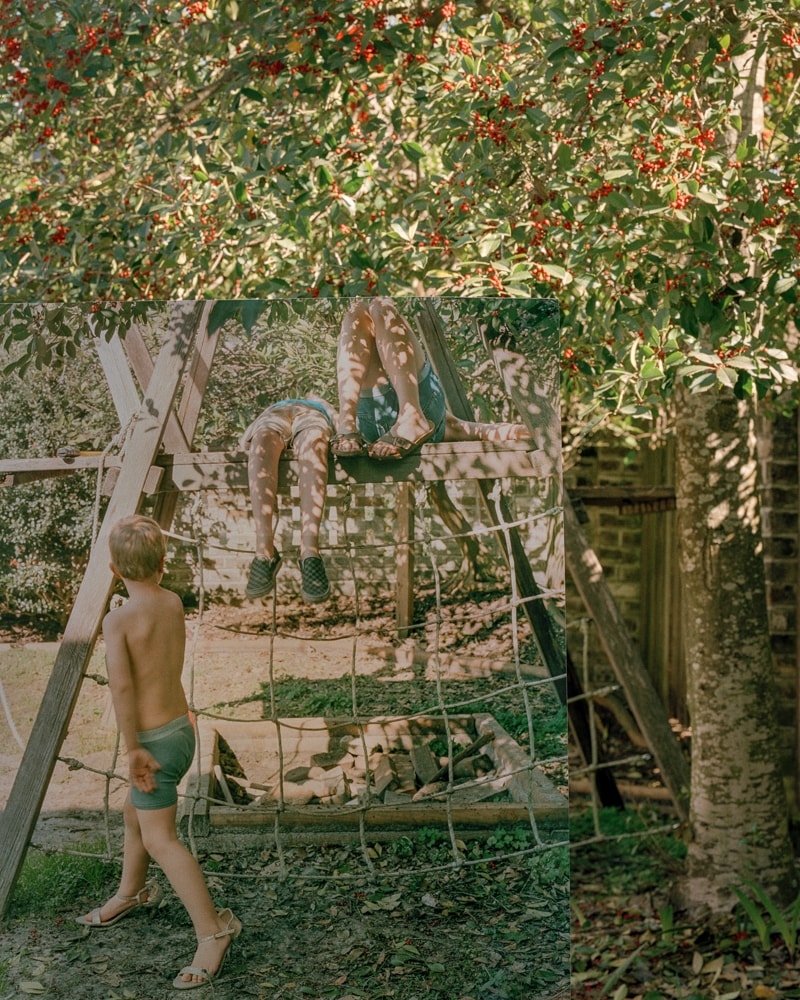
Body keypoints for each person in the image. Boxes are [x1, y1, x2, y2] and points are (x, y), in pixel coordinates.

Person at [76, 515, 241, 991]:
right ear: (164, 564)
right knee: (137, 815)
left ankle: (214, 931)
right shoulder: (172, 602)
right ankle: (133, 891)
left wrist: (132, 750)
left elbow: (123, 687)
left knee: (161, 839)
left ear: (112, 568)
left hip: (150, 745)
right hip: (181, 729)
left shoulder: (118, 619)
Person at [332, 297, 532, 460]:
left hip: (367, 424)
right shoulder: (443, 425)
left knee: (360, 310)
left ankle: (348, 422)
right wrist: (532, 431)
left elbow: (484, 431)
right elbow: (484, 431)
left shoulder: (445, 425)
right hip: (403, 412)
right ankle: (408, 414)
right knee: (376, 307)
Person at [240, 395, 336, 603]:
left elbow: (337, 419)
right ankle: (264, 550)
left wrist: (342, 431)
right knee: (263, 438)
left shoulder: (319, 404)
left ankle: (310, 552)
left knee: (314, 440)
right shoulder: (275, 406)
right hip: (275, 415)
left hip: (312, 415)